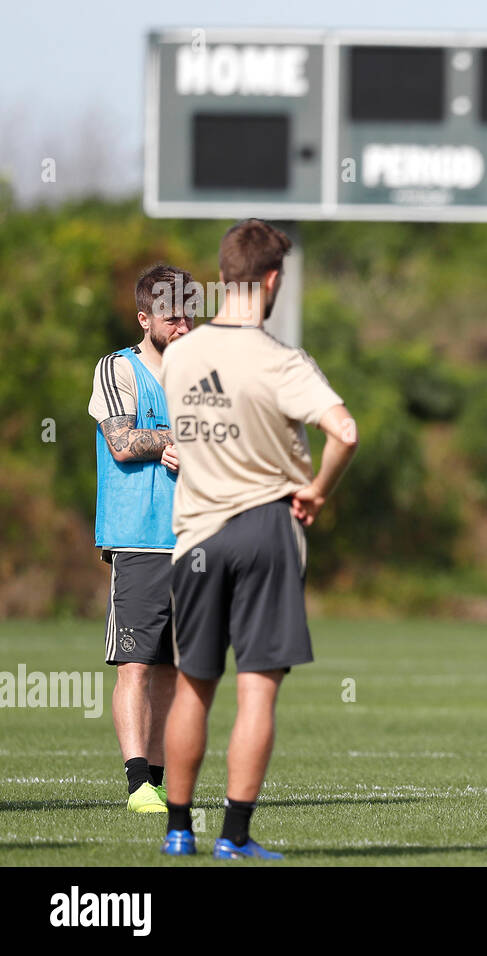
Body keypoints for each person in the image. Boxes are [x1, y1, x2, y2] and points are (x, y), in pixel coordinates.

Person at [159, 219, 359, 858]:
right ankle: (235, 836)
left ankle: (177, 832)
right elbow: (345, 431)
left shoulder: (181, 353)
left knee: (193, 683)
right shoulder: (281, 359)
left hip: (193, 536)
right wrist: (319, 489)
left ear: (221, 276)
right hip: (266, 527)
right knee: (256, 688)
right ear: (273, 278)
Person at [88, 264, 194, 813]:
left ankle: (158, 777)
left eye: (188, 314)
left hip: (193, 540)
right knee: (136, 664)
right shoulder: (117, 368)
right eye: (171, 316)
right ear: (144, 318)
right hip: (139, 539)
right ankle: (136, 786)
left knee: (176, 670)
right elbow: (124, 442)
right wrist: (174, 438)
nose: (182, 325)